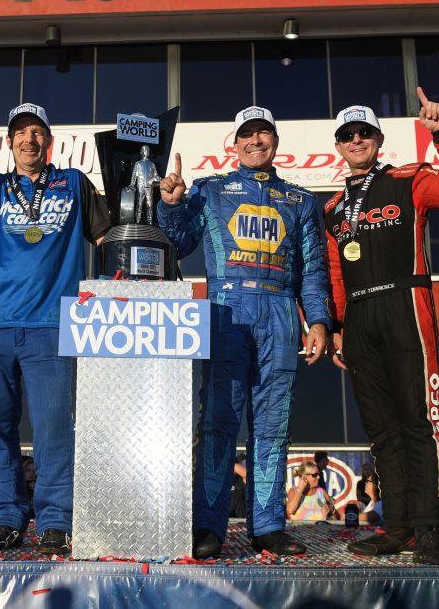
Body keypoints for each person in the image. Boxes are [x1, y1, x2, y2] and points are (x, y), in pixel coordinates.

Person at [0, 61, 110, 557]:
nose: (29, 140)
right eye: (21, 133)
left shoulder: (74, 183)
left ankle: (55, 521)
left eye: (37, 132)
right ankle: (7, 518)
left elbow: (109, 239)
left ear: (49, 141)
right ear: (9, 143)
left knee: (54, 428)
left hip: (51, 324)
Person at [158, 105, 331, 558]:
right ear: (234, 144)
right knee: (218, 422)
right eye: (247, 134)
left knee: (273, 426)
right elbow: (179, 242)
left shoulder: (300, 200)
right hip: (227, 310)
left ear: (275, 142)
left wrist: (318, 321)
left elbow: (313, 270)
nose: (256, 141)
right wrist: (170, 206)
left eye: (263, 134)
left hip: (280, 311)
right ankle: (207, 526)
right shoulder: (210, 189)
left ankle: (268, 526)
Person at [327, 88, 439, 565]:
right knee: (381, 429)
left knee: (419, 419)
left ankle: (431, 528)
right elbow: (335, 273)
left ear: (378, 140)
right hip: (359, 315)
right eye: (348, 135)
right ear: (338, 145)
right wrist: (337, 327)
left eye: (364, 133)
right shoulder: (332, 208)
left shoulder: (408, 179)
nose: (356, 140)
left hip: (405, 304)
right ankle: (399, 528)